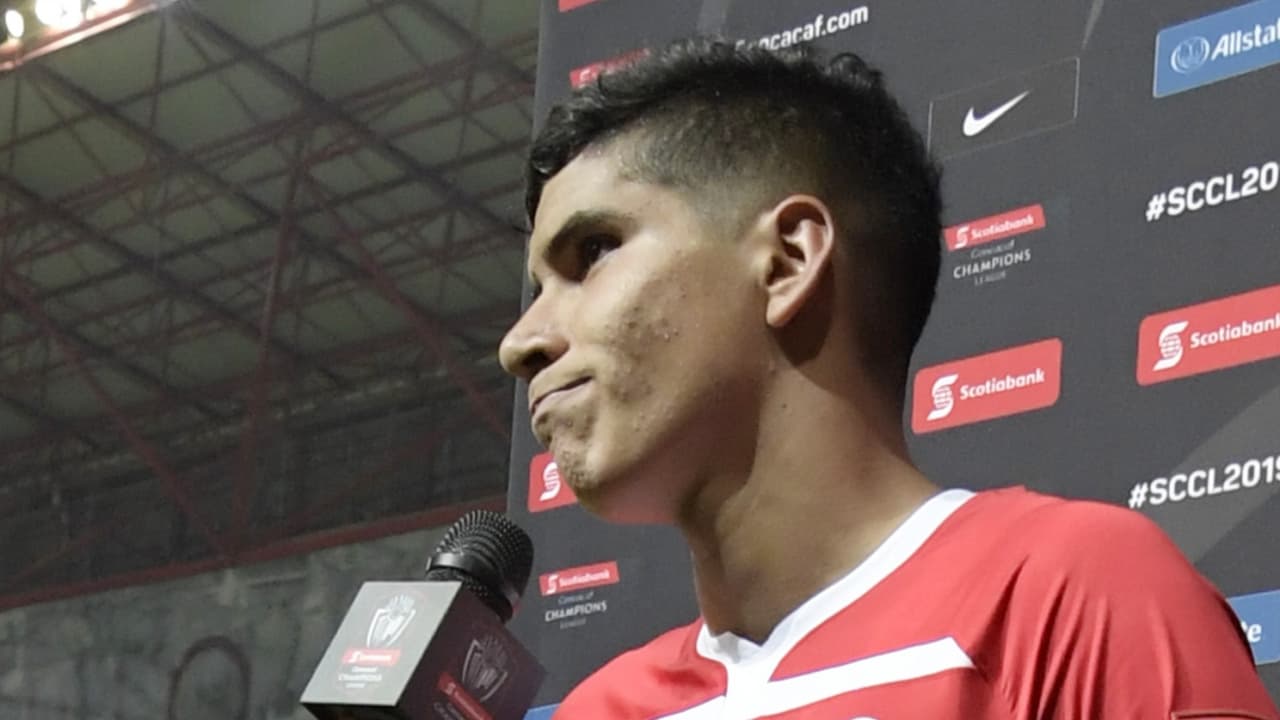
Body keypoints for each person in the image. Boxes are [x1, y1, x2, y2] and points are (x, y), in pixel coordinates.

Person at [498, 37, 1278, 719]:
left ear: (787, 261)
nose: (521, 343)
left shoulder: (1072, 598)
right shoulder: (600, 707)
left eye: (592, 254)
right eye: (537, 290)